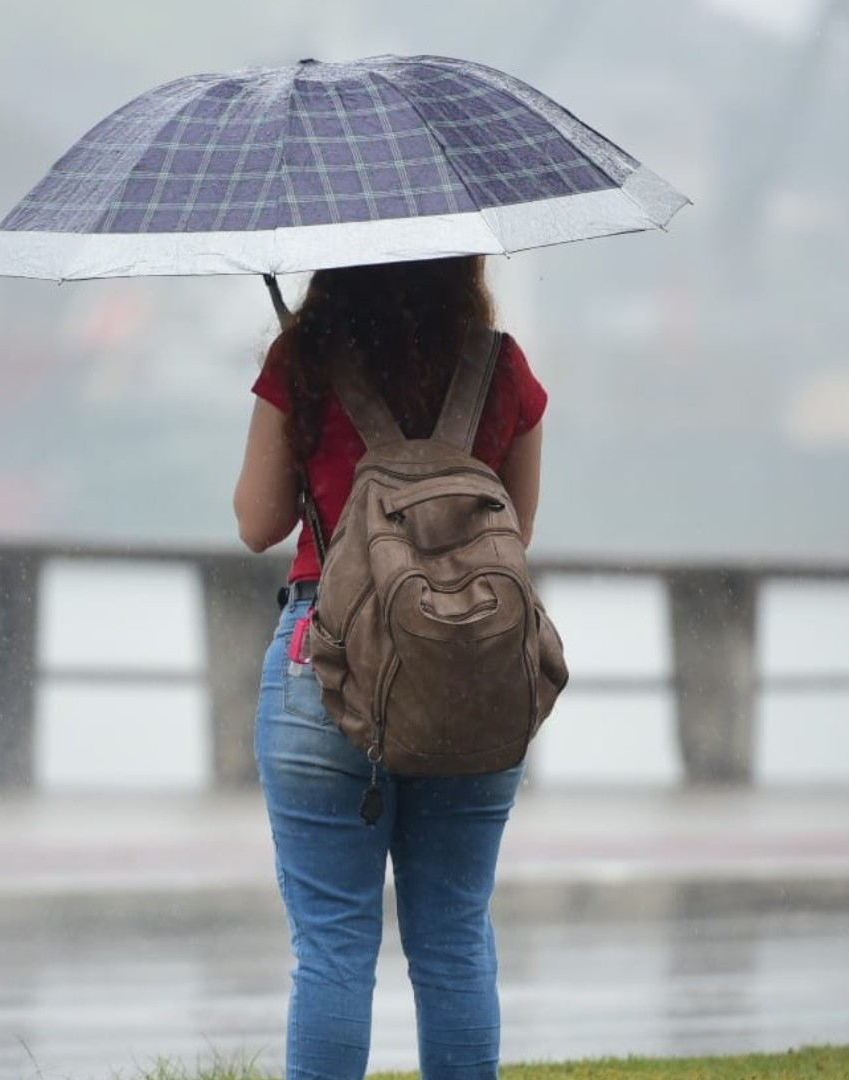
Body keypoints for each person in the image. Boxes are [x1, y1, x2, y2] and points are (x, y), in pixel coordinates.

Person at [232, 256, 547, 1080]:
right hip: (469, 676)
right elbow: (515, 532)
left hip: (325, 668)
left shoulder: (302, 362)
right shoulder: (499, 366)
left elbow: (257, 522)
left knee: (334, 948)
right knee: (453, 942)